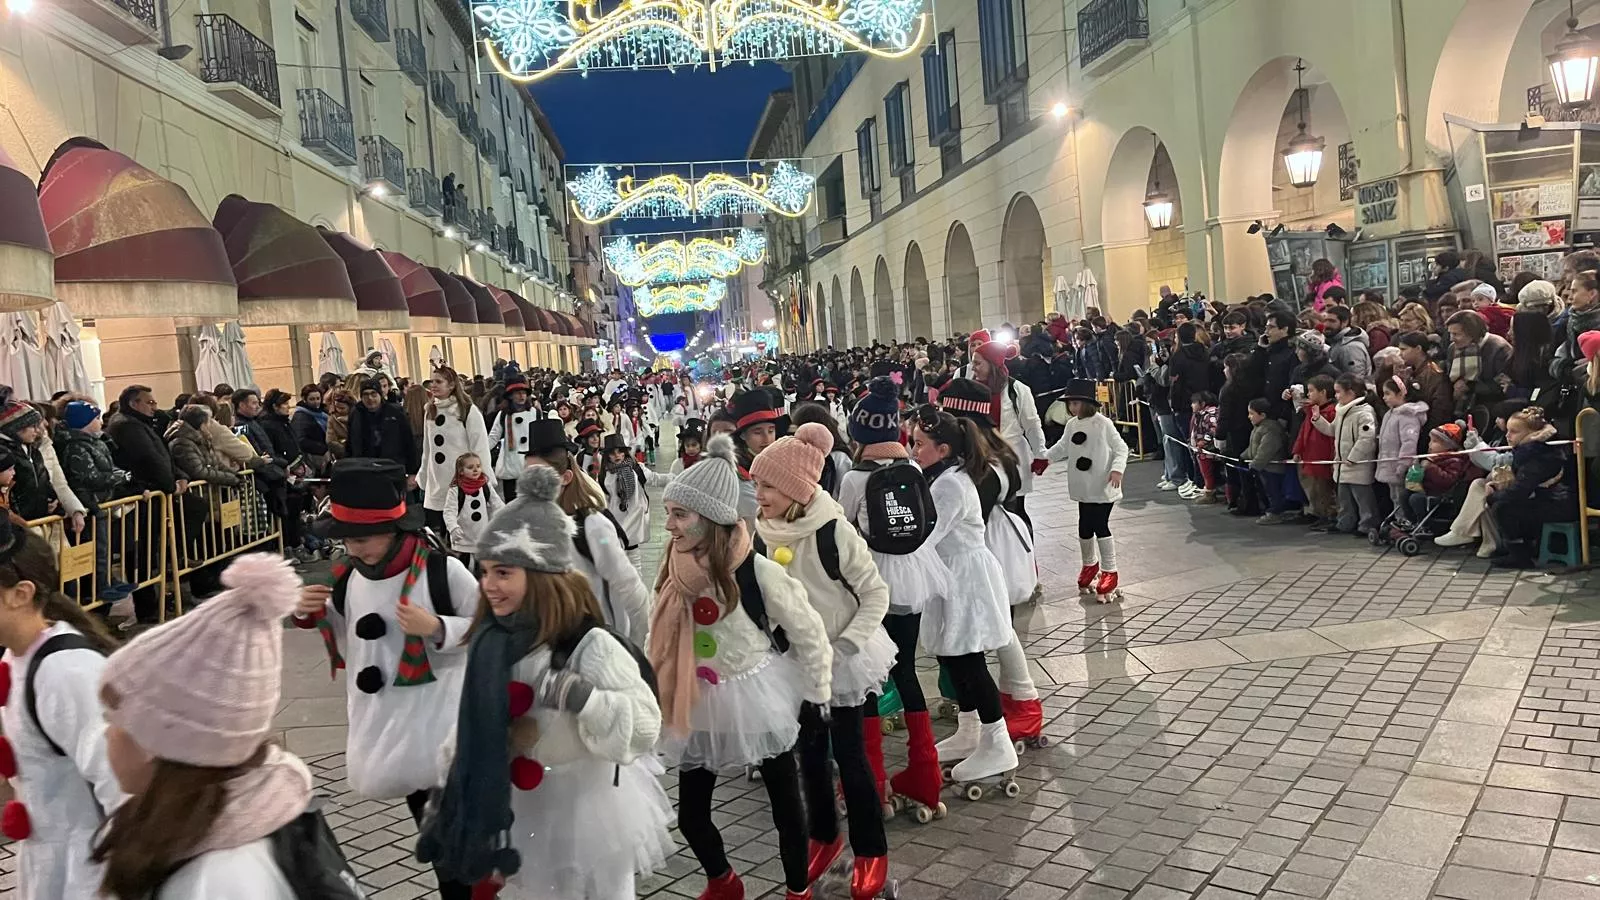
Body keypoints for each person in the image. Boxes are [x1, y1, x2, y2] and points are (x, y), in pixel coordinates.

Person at [417, 465, 673, 900]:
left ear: (538, 578)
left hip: (586, 807)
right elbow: (473, 718)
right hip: (521, 807)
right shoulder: (491, 643)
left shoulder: (590, 645)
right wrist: (450, 779)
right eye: (485, 572)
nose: (488, 587)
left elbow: (646, 724)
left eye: (503, 573)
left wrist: (585, 698)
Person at [649, 434, 831, 900]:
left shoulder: (755, 571)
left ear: (711, 518)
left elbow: (808, 631)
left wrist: (817, 695)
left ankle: (797, 891)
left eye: (679, 514)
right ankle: (723, 880)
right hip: (698, 696)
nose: (667, 524)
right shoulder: (674, 564)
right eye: (668, 512)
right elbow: (658, 627)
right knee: (690, 814)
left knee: (786, 810)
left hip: (755, 694)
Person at [293, 459, 474, 900]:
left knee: (453, 850)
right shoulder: (349, 579)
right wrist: (309, 613)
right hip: (394, 731)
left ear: (395, 531)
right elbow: (351, 635)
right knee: (436, 844)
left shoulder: (441, 572)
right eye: (345, 541)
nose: (353, 550)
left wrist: (437, 628)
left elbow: (491, 628)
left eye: (361, 539)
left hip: (443, 731)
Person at [91, 553, 320, 898]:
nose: (107, 733)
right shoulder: (215, 830)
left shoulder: (214, 882)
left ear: (158, 745)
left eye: (114, 719)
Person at [750, 424, 895, 898]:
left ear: (794, 488)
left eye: (768, 485)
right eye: (756, 484)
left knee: (850, 758)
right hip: (795, 663)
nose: (759, 494)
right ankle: (825, 836)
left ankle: (871, 850)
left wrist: (846, 646)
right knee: (809, 756)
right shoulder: (761, 531)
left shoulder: (833, 531)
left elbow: (875, 592)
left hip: (843, 659)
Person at [840, 378, 951, 821]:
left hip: (871, 584)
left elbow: (843, 529)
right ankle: (925, 776)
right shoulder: (913, 469)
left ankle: (873, 785)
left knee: (868, 679)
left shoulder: (853, 477)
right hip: (913, 578)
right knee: (905, 669)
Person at [0, 520, 123, 899]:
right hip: (53, 866)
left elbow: (123, 790)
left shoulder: (66, 672)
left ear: (20, 594)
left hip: (89, 875)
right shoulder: (17, 657)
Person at [904, 404, 1018, 791]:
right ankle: (971, 729)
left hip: (964, 578)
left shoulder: (950, 484)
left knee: (968, 659)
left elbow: (926, 534)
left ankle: (997, 740)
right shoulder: (944, 477)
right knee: (951, 655)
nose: (913, 450)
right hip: (951, 574)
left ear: (945, 449)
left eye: (920, 444)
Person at [933, 378, 1045, 745]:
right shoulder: (996, 451)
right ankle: (1003, 707)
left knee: (992, 637)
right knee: (997, 634)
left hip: (984, 551)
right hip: (995, 548)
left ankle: (1018, 707)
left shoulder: (983, 464)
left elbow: (962, 515)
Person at [521, 419, 650, 643]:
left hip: (600, 646)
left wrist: (643, 645)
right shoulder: (527, 527)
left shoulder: (592, 527)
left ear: (565, 478)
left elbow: (630, 589)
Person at [1043, 379, 1130, 603]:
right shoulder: (1072, 425)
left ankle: (1110, 570)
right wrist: (1044, 460)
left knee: (1099, 525)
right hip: (1083, 486)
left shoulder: (1103, 424)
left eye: (1076, 403)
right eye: (1070, 404)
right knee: (1084, 525)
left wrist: (1117, 469)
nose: (1072, 408)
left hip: (1102, 485)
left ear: (1087, 403)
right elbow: (1063, 446)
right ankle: (1090, 565)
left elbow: (1121, 448)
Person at [961, 330, 1048, 528]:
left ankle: (1026, 556)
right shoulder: (971, 390)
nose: (973, 368)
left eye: (977, 363)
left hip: (1012, 457)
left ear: (992, 364)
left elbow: (1032, 425)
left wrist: (1040, 454)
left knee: (1015, 511)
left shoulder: (1017, 390)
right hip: (982, 459)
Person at [1485, 406, 1578, 569]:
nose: (1507, 436)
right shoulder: (1532, 450)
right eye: (1507, 430)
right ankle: (1516, 548)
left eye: (1514, 432)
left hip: (1559, 503)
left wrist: (1493, 497)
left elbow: (1520, 491)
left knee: (1503, 508)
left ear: (1530, 434)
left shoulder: (1539, 455)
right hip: (1550, 498)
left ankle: (1519, 554)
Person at [421, 368, 496, 537]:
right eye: (431, 381)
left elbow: (480, 447)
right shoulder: (430, 410)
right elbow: (428, 449)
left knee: (465, 532)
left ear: (452, 385)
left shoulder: (468, 410)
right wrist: (424, 474)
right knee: (441, 528)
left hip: (462, 480)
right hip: (438, 481)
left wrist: (483, 476)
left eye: (438, 382)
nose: (433, 385)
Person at [1324, 373, 1379, 536]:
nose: (1336, 395)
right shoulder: (1342, 412)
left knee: (1363, 499)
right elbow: (1332, 430)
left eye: (1338, 391)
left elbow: (1367, 438)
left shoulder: (1364, 413)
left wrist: (1352, 457)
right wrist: (1317, 420)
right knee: (1344, 499)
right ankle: (1345, 523)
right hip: (1342, 465)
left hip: (1357, 465)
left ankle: (1367, 525)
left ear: (1351, 393)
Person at [1292, 375, 1339, 530]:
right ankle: (1320, 514)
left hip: (1322, 458)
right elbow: (1303, 432)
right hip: (1309, 457)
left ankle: (1329, 516)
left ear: (1323, 392)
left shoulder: (1332, 412)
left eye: (1311, 391)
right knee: (1313, 490)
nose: (1309, 394)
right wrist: (1297, 450)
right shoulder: (1311, 412)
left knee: (1324, 490)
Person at [442, 452, 500, 569]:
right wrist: (453, 527)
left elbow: (496, 503)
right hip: (462, 536)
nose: (475, 470)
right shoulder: (455, 490)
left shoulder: (485, 485)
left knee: (482, 566)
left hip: (481, 534)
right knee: (464, 565)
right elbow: (449, 511)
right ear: (461, 471)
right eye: (470, 467)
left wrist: (504, 517)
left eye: (478, 466)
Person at [485, 376, 535, 502]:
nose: (521, 396)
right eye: (518, 393)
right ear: (510, 396)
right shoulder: (504, 415)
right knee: (512, 505)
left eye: (524, 392)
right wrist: (479, 450)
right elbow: (493, 437)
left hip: (530, 466)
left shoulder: (535, 413)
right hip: (511, 468)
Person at [1245, 399, 1292, 524]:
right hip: (1264, 468)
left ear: (1263, 415)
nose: (1249, 417)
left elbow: (1266, 451)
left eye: (1251, 413)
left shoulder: (1271, 429)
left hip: (1273, 468)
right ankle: (1272, 510)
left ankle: (1276, 513)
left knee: (1273, 491)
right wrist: (1243, 456)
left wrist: (1255, 465)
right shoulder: (1258, 428)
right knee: (1267, 490)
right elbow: (1253, 447)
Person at [290, 385, 329, 475]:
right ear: (304, 399)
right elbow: (300, 440)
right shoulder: (300, 416)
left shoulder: (323, 413)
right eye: (312, 399)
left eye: (318, 398)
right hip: (313, 455)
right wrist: (323, 448)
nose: (316, 402)